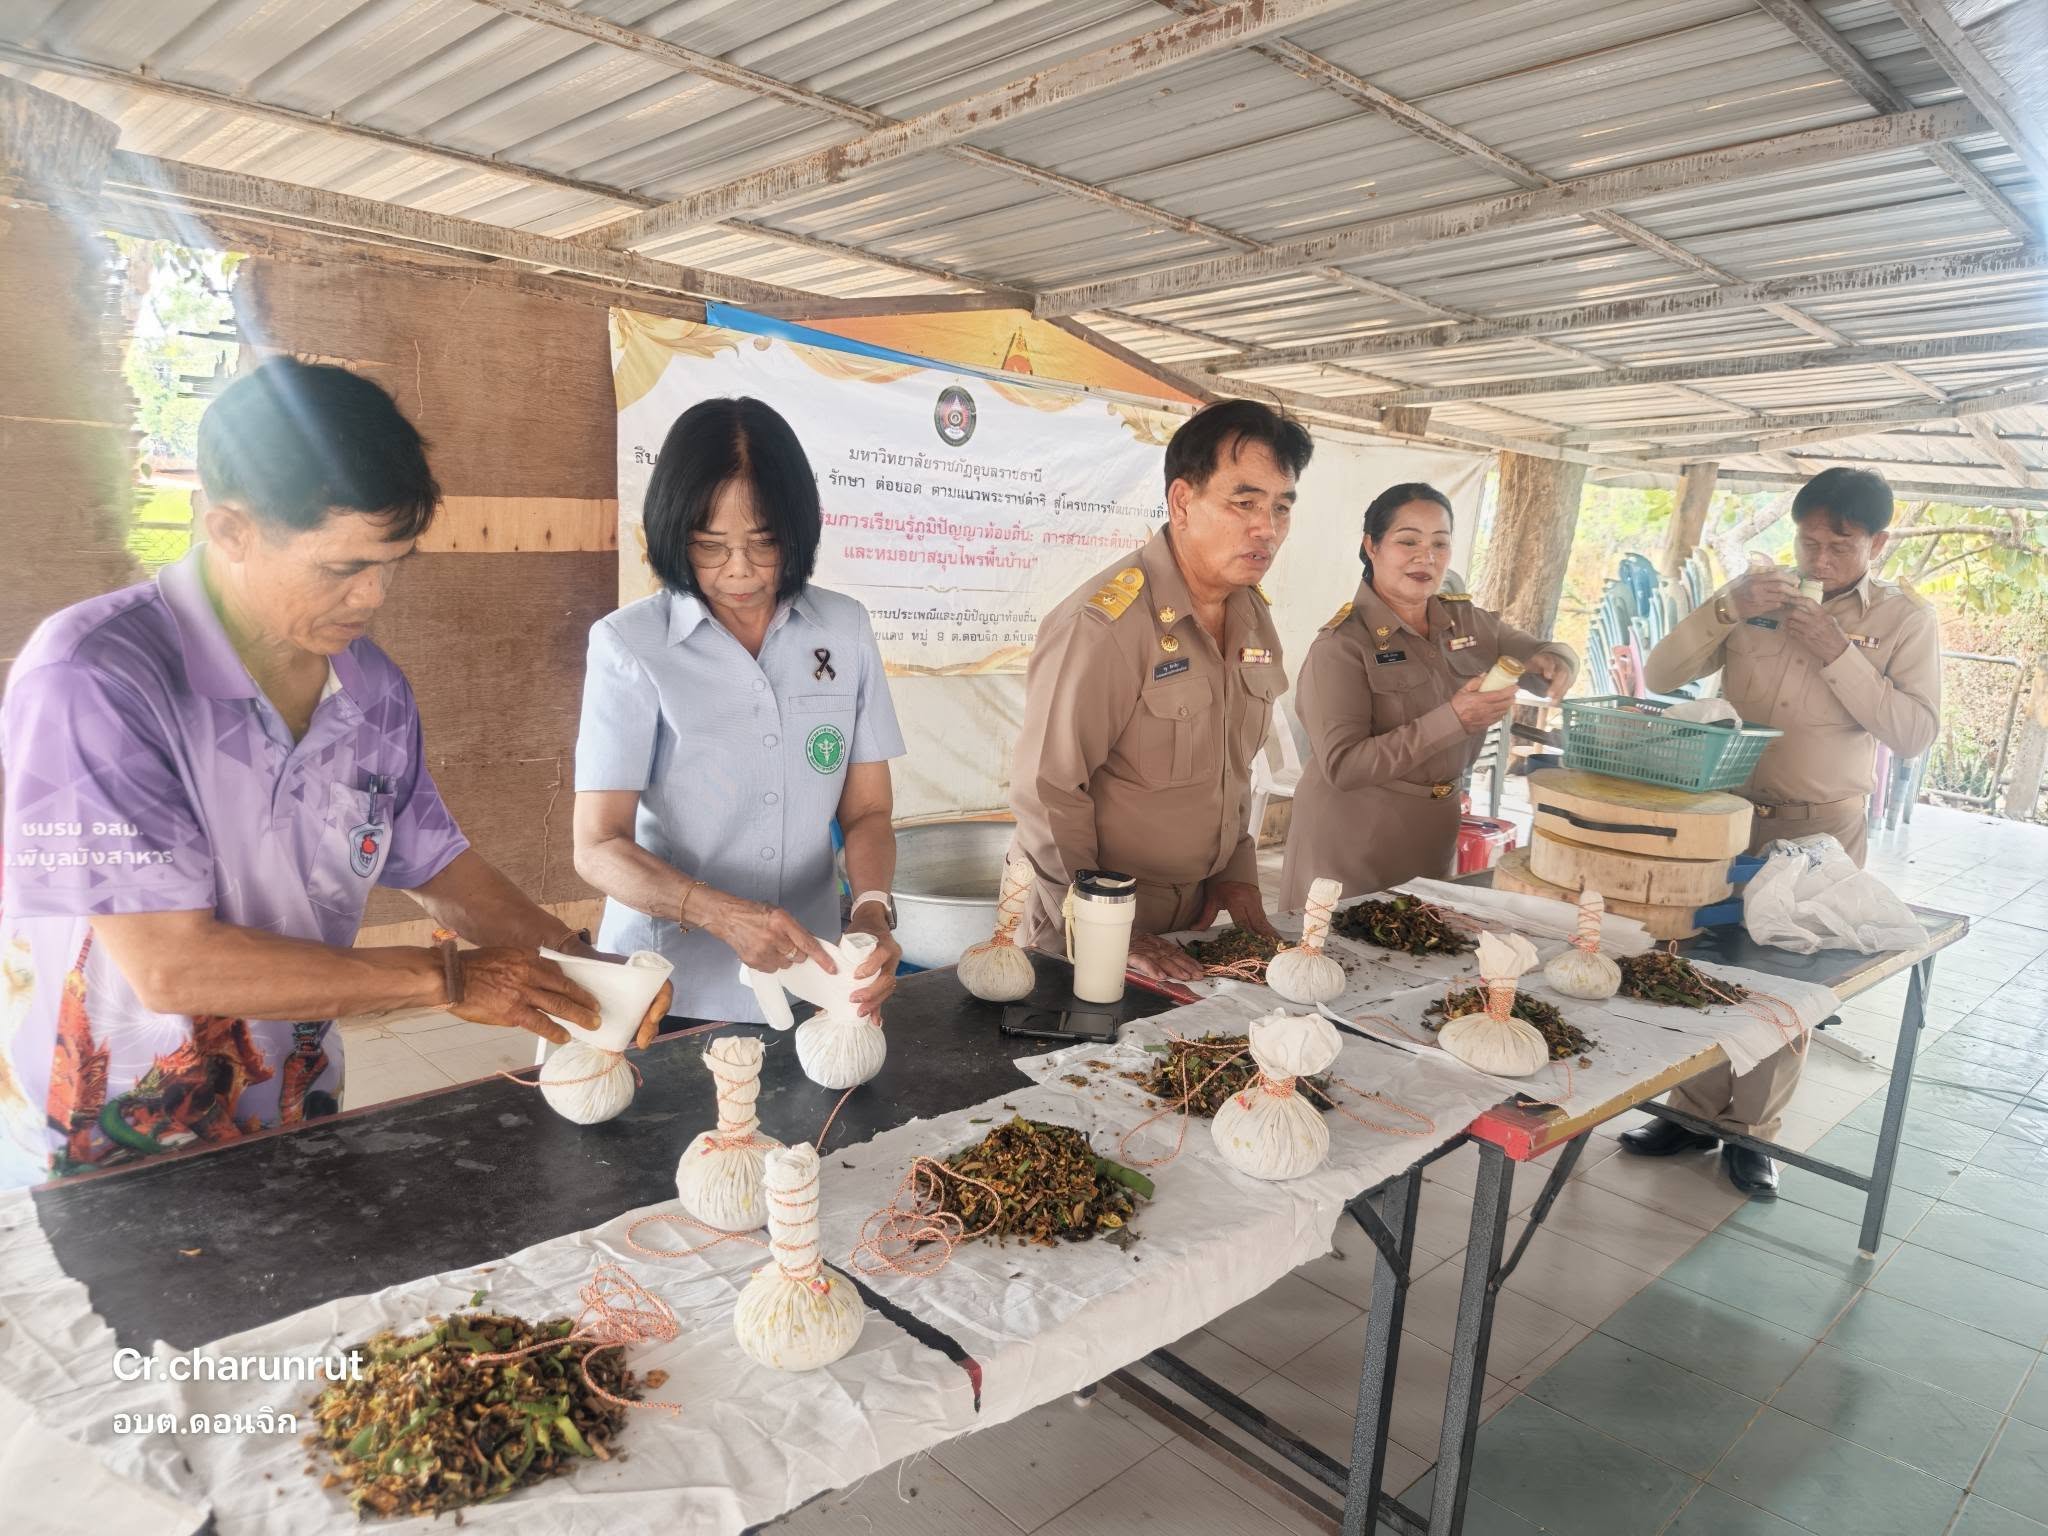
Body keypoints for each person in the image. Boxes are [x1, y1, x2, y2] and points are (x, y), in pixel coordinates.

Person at [0, 359, 667, 1188]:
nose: (373, 597)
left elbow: (437, 865)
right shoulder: (97, 679)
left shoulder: (371, 690)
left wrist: (576, 962)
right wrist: (445, 979)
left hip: (296, 1101)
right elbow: (171, 965)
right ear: (230, 529)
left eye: (394, 563)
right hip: (102, 1140)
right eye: (343, 568)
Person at [1625, 465, 1942, 1197]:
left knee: (1785, 979)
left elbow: (1914, 733)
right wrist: (1723, 609)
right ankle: (1689, 1112)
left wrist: (1838, 652)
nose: (1820, 561)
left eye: (1841, 545)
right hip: (1725, 812)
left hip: (1821, 828)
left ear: (1878, 544)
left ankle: (1751, 1134)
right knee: (1699, 963)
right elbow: (1661, 673)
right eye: (1808, 542)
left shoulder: (1905, 620)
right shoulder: (1753, 595)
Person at [572, 397, 904, 1027]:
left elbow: (867, 811)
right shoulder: (630, 645)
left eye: (764, 543)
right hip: (669, 989)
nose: (740, 571)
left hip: (814, 975)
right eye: (710, 547)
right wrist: (721, 914)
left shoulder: (844, 630)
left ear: (798, 533)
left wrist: (870, 912)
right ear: (675, 536)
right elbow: (597, 845)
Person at [1009, 399, 1311, 983]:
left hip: (1195, 917)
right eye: (1245, 503)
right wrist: (1104, 926)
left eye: (1281, 507)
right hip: (1091, 922)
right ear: (1182, 502)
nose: (1267, 529)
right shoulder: (1106, 625)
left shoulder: (1252, 617)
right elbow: (1047, 791)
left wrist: (1235, 873)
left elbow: (1233, 768)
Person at [1281, 484, 1578, 909]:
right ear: (1372, 546)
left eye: (1440, 543)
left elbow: (1542, 655)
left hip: (1434, 831)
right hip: (1353, 837)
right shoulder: (1342, 645)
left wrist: (1558, 662)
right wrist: (1454, 719)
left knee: (1423, 941)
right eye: (1408, 541)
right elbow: (1343, 766)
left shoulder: (1467, 624)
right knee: (1340, 945)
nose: (1427, 557)